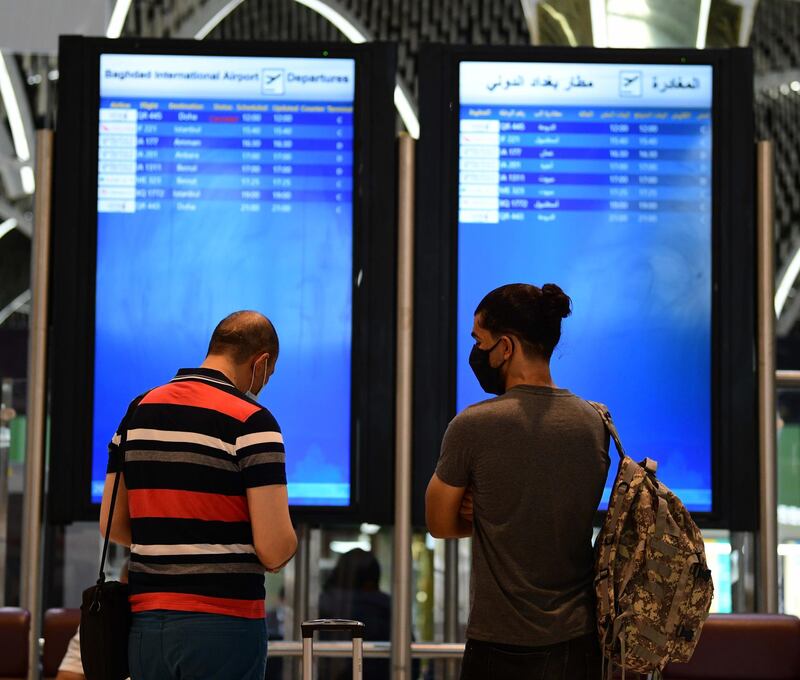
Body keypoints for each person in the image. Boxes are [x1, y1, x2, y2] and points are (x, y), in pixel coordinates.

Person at [425, 283, 610, 680]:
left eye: (479, 340)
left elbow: (439, 522)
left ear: (505, 348)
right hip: (578, 645)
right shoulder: (593, 423)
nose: (475, 352)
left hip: (500, 646)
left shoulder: (474, 425)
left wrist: (486, 513)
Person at [99, 310, 297, 680]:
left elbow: (114, 524)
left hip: (146, 625)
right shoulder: (254, 421)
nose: (263, 384)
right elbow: (272, 546)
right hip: (224, 627)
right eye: (268, 376)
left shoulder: (138, 411)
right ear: (262, 362)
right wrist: (286, 544)